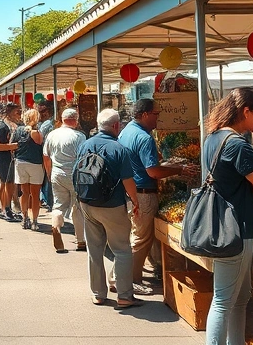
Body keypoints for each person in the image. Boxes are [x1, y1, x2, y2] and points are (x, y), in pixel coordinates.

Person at [202, 88, 253, 345]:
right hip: (236, 228)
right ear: (246, 111)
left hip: (224, 226)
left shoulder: (212, 138)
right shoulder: (237, 145)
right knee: (223, 300)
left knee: (240, 297)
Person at [74, 108, 140, 309]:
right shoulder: (119, 149)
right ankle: (124, 296)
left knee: (94, 250)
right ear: (116, 126)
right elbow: (128, 180)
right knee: (121, 249)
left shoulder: (85, 144)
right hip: (112, 205)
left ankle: (98, 294)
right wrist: (135, 201)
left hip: (87, 202)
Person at [118, 98, 180, 293]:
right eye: (156, 114)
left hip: (130, 192)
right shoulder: (144, 138)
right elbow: (152, 171)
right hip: (143, 193)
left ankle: (130, 275)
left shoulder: (126, 131)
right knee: (140, 239)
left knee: (138, 235)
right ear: (144, 114)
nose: (158, 118)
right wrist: (178, 170)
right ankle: (128, 281)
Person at [44, 107, 87, 253]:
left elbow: (46, 156)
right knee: (78, 207)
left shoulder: (52, 135)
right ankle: (81, 240)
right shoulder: (79, 136)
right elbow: (83, 157)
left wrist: (49, 172)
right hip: (74, 174)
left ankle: (56, 226)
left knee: (58, 204)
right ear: (75, 119)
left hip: (57, 172)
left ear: (62, 119)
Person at [14, 108, 46, 230]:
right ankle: (34, 221)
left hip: (20, 162)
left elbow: (14, 145)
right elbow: (40, 143)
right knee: (35, 194)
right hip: (35, 163)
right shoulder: (36, 132)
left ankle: (25, 218)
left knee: (24, 192)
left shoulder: (18, 130)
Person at [0, 103, 22, 222]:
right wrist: (14, 146)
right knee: (6, 184)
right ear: (9, 112)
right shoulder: (2, 126)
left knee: (7, 184)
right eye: (17, 111)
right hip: (4, 159)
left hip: (8, 158)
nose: (19, 114)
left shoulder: (11, 125)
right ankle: (6, 209)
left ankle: (4, 209)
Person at [37, 100, 56, 210]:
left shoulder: (47, 124)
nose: (41, 113)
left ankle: (47, 200)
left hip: (46, 153)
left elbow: (40, 138)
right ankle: (46, 199)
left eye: (43, 111)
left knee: (47, 177)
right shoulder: (46, 123)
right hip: (47, 153)